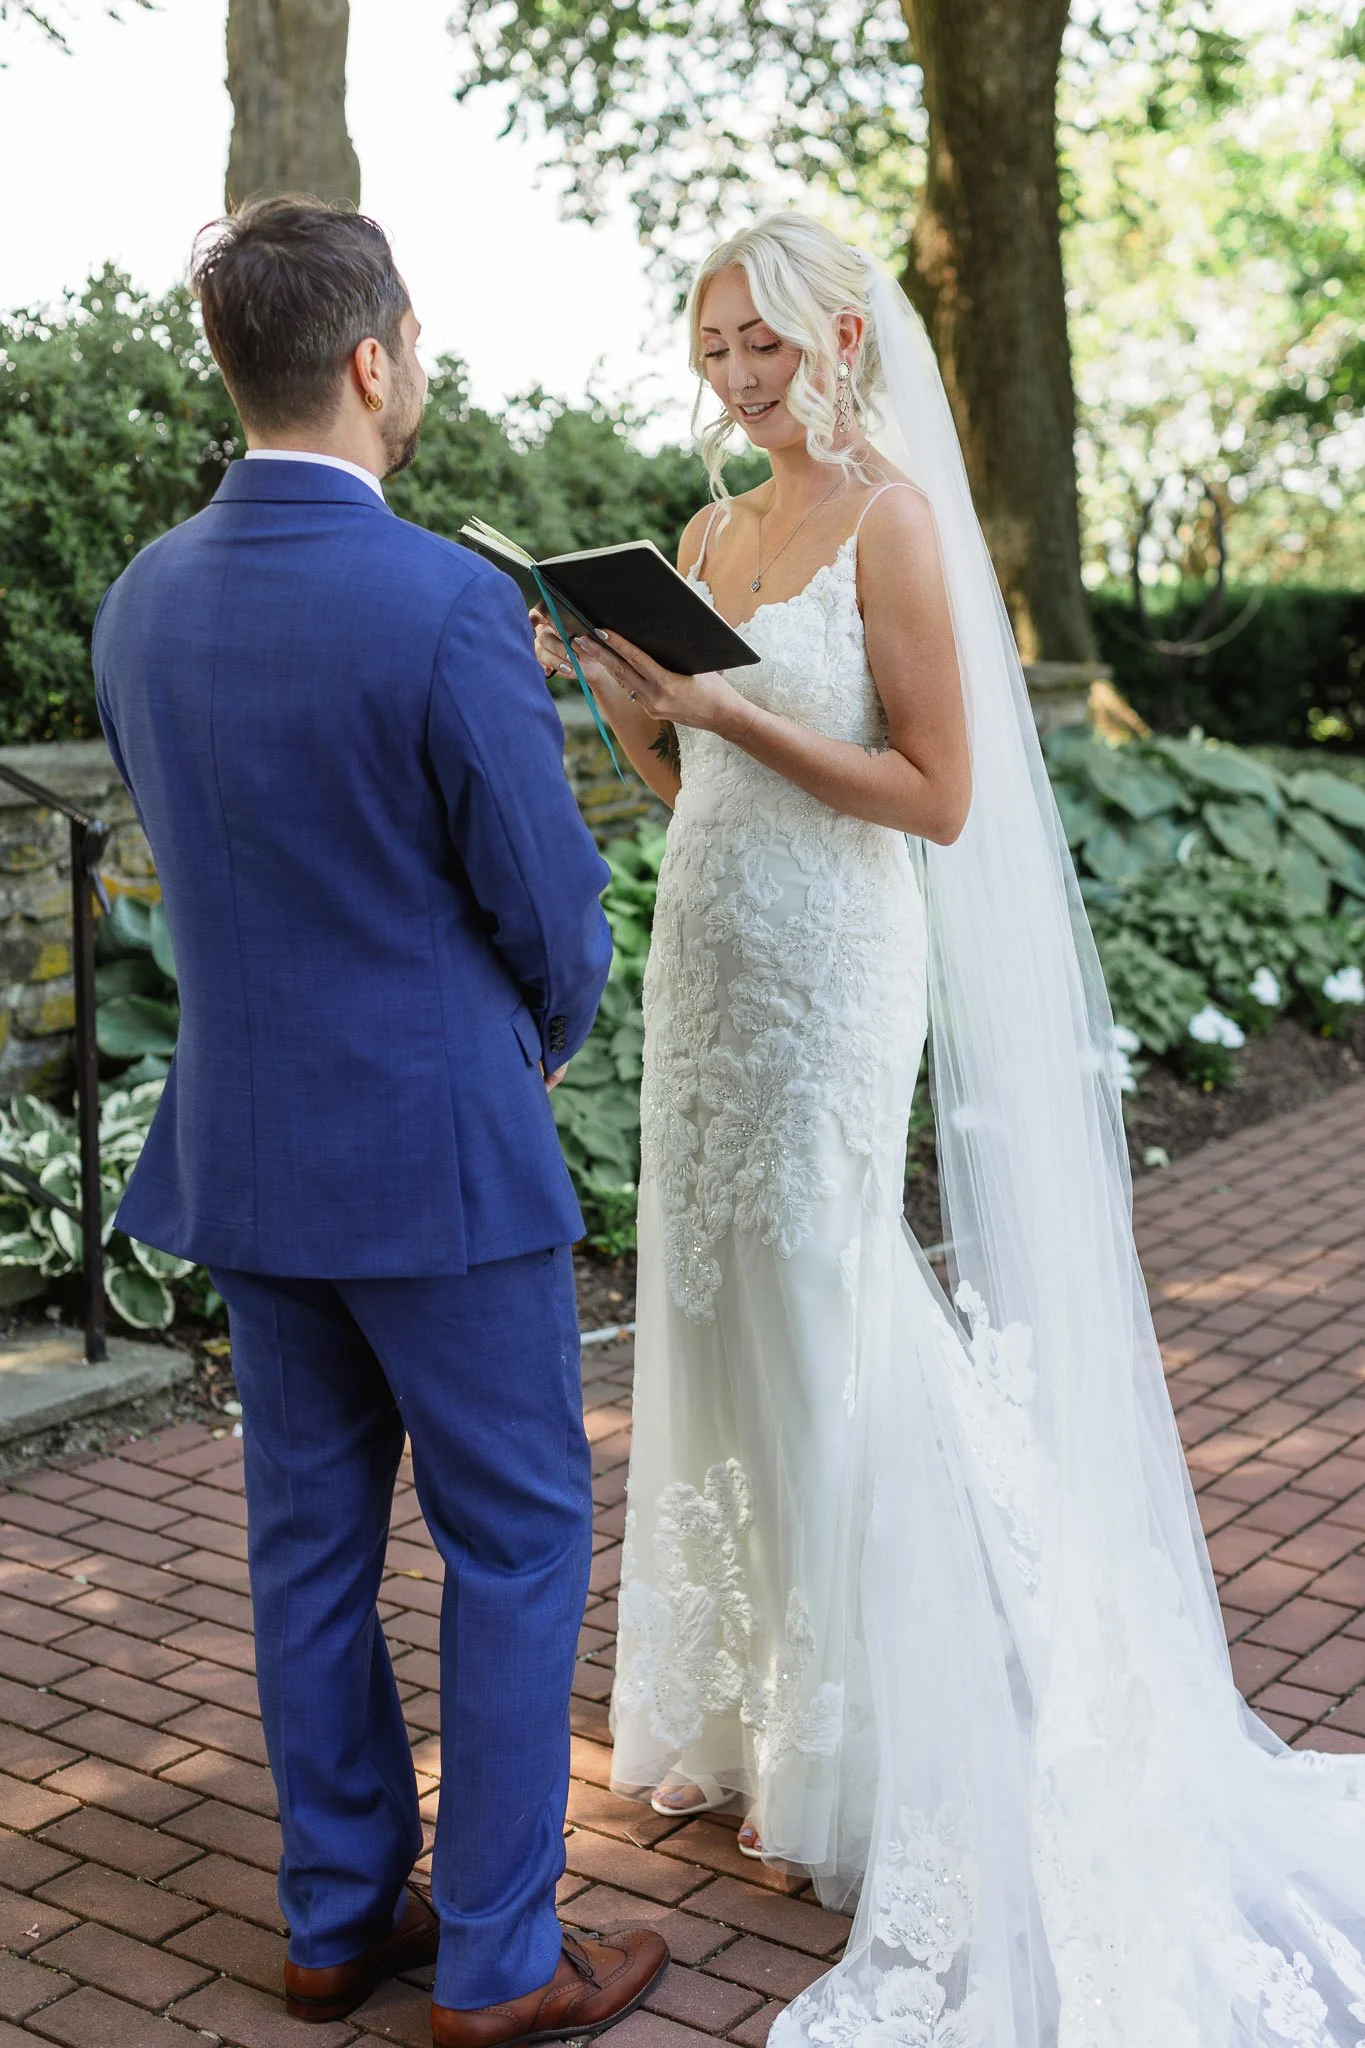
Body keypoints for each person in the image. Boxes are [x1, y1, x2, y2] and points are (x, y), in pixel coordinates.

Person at [535, 211, 1365, 2046]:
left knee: (835, 1314)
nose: (738, 378)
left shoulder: (891, 524)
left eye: (765, 344)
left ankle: (902, 1730)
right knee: (723, 1311)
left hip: (836, 966)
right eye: (715, 347)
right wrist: (621, 695)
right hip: (710, 958)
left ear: (840, 340)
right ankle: (756, 1716)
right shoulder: (706, 533)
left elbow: (937, 791)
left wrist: (718, 726)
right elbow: (680, 777)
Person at [93, 196, 667, 2047]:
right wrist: (545, 1039)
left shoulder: (142, 599)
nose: (417, 372)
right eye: (412, 346)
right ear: (370, 359)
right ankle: (501, 1958)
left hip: (254, 1158)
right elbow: (552, 899)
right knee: (516, 1541)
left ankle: (338, 1918)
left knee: (308, 1548)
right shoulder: (442, 601)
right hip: (437, 1159)